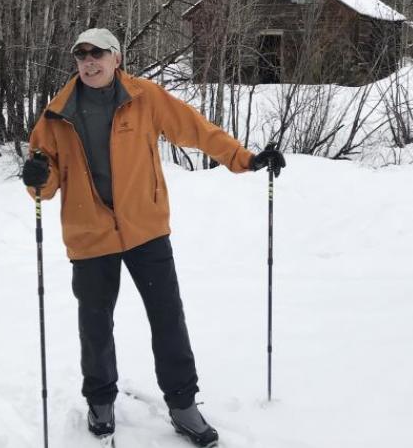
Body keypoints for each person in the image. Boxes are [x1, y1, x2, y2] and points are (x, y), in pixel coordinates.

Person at [21, 28, 285, 447]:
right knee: (95, 325)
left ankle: (182, 405)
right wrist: (37, 177)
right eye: (82, 55)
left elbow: (195, 130)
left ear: (116, 58)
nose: (89, 62)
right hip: (89, 233)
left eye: (98, 54)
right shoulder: (56, 114)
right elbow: (45, 181)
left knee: (167, 319)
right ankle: (101, 399)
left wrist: (245, 158)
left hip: (145, 229)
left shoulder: (144, 97)